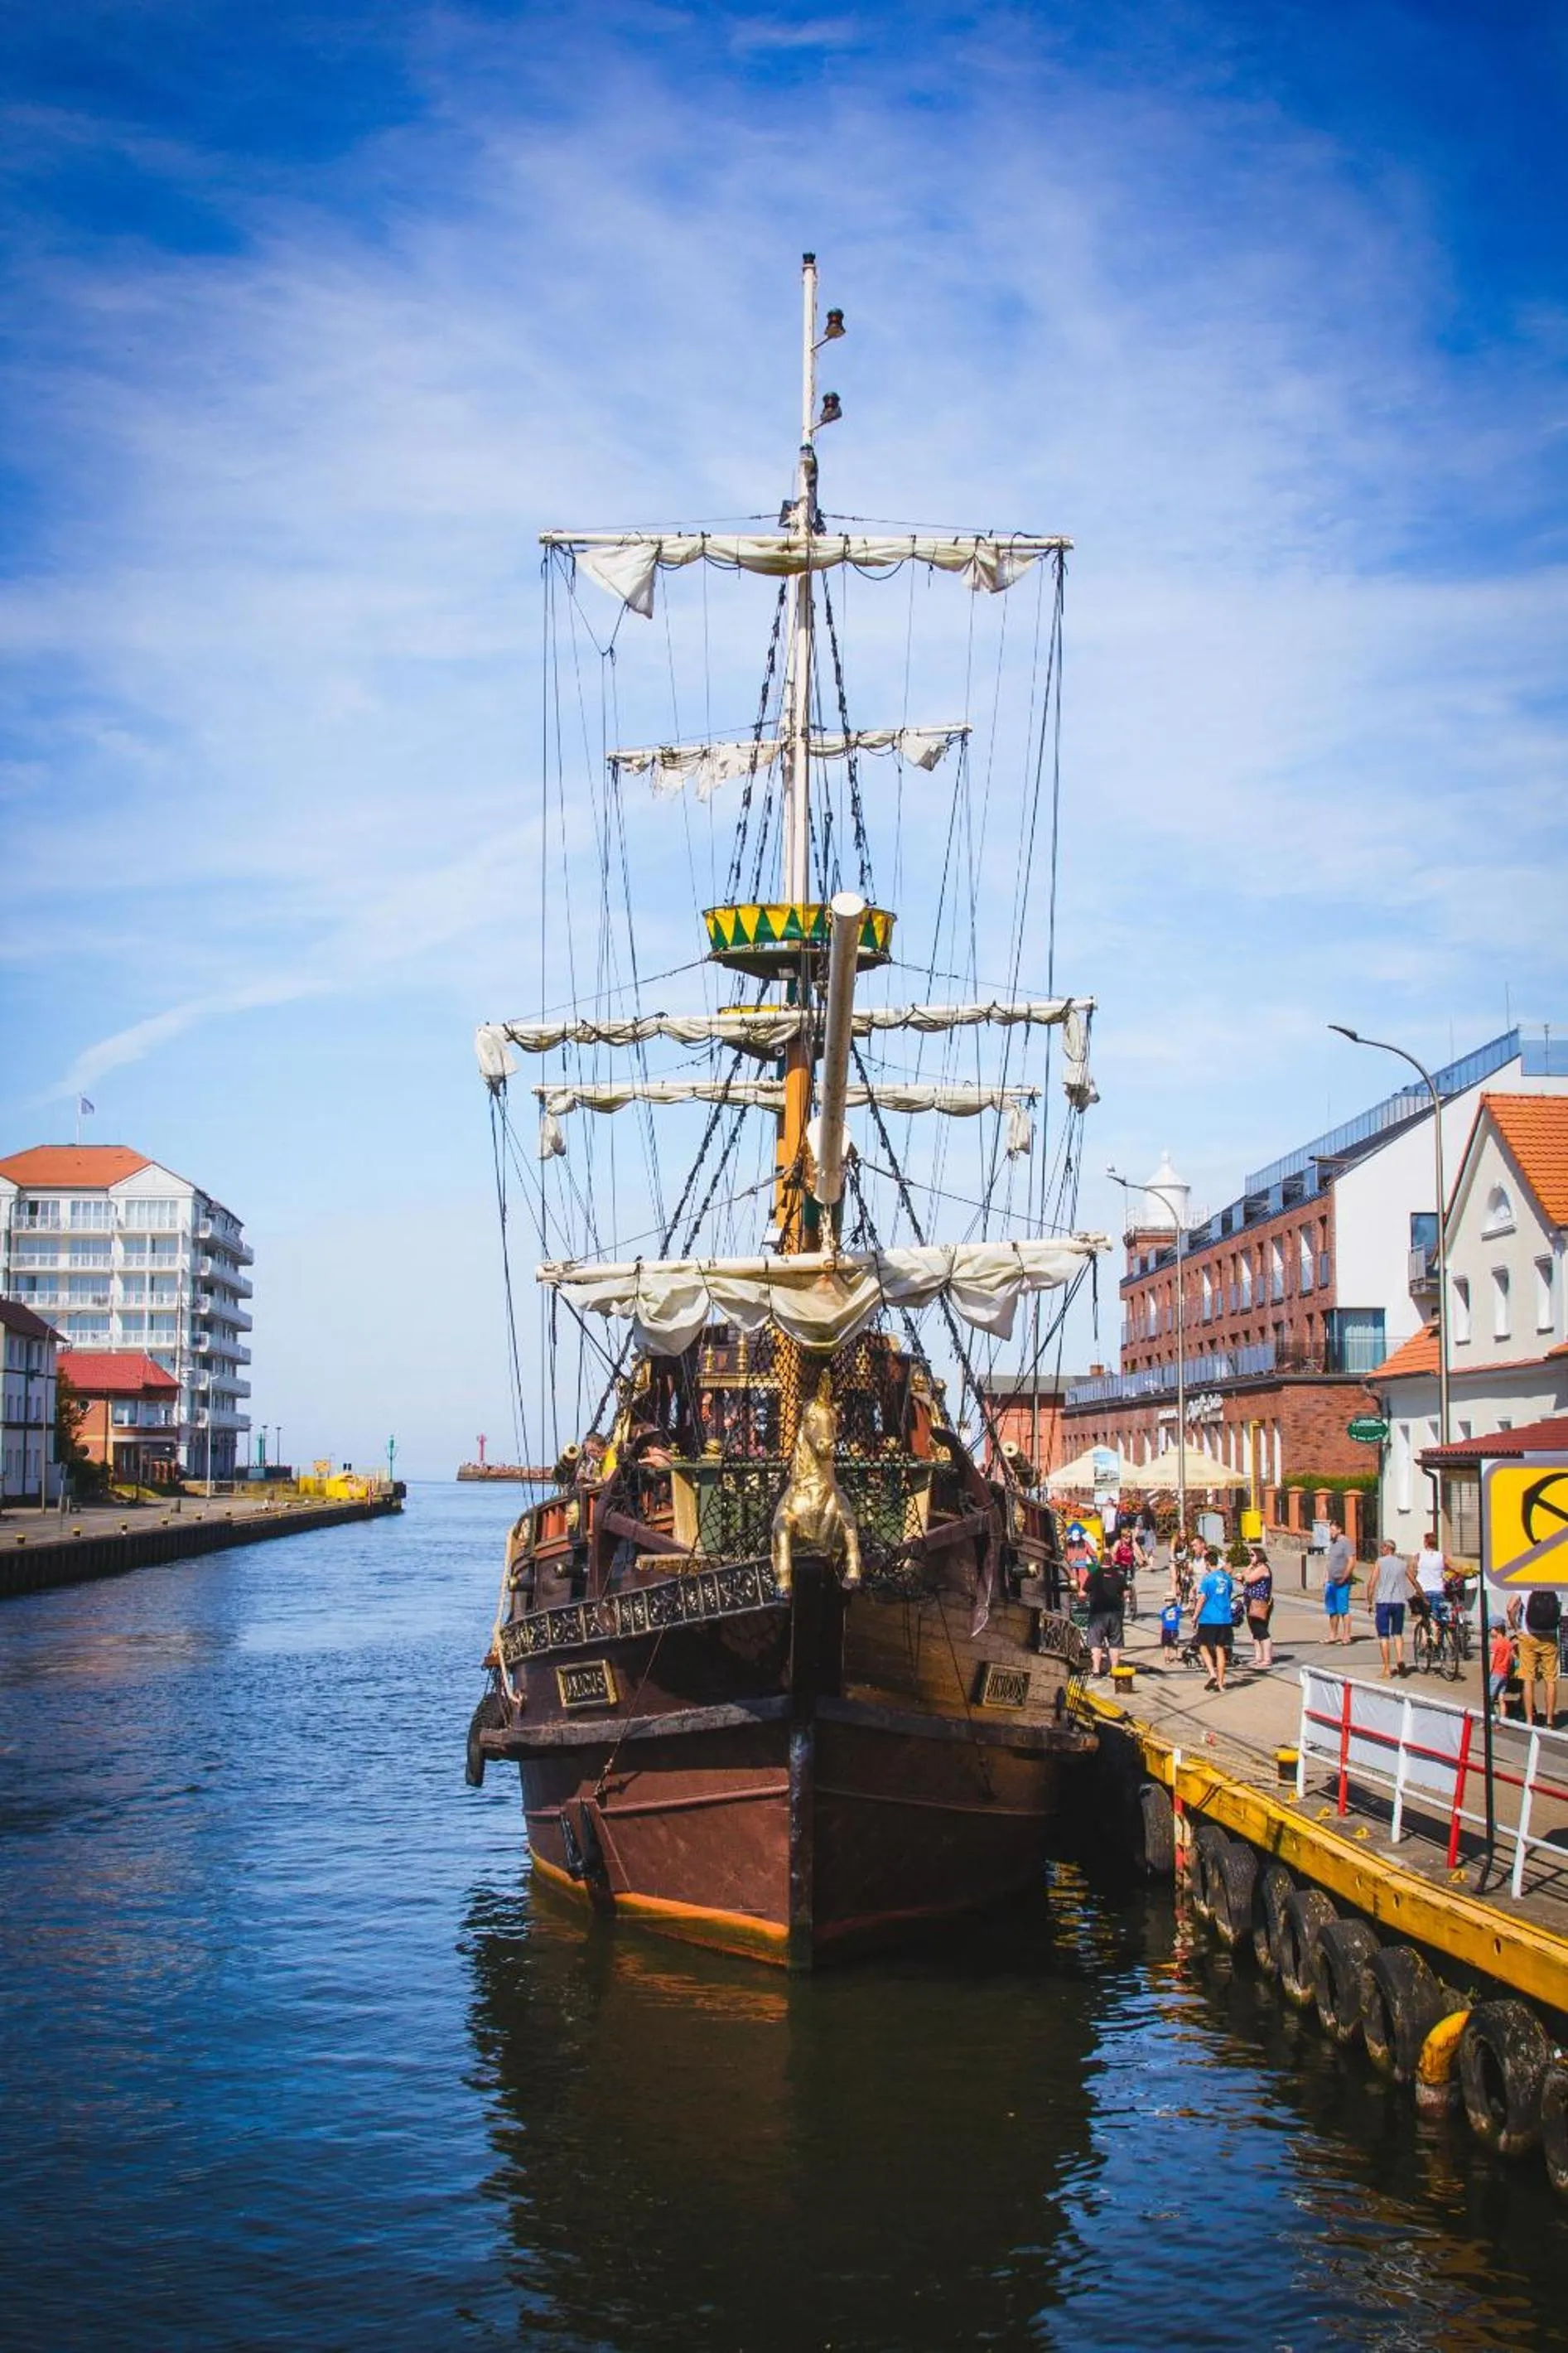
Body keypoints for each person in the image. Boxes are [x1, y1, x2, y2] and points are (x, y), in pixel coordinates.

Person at [1368, 1539, 1417, 1679]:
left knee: (1384, 1636)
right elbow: (1413, 1580)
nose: (1381, 1549)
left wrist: (1369, 1601)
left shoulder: (1380, 1562)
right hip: (1399, 1602)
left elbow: (1372, 1582)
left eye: (1383, 1547)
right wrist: (1421, 1595)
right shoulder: (1402, 1563)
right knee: (1397, 1633)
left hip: (1383, 1602)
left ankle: (1387, 1670)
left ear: (1388, 1548)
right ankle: (1400, 1659)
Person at [1193, 1550, 1238, 1693]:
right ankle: (1221, 1683)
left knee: (1202, 1645)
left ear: (1207, 1563)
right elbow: (1229, 1594)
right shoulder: (1227, 1578)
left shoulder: (1208, 1579)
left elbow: (1202, 1599)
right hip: (1224, 1617)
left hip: (1209, 1617)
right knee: (1220, 1649)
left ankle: (1212, 1673)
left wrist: (1195, 1616)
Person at [1518, 1589, 1562, 1728]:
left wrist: (1515, 1627)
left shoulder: (1525, 1587)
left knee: (1528, 1678)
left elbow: (1510, 1607)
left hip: (1528, 1636)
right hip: (1549, 1637)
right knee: (1550, 1679)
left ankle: (1529, 1720)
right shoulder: (1554, 1587)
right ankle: (1549, 1721)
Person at [1084, 1549, 1128, 1679]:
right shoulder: (1118, 1575)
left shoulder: (1094, 1575)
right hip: (1115, 1613)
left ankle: (1096, 1670)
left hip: (1097, 1613)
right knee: (1114, 1642)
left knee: (1096, 1643)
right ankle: (1114, 1670)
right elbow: (1126, 1593)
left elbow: (1083, 1593)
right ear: (1112, 1562)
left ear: (1100, 1562)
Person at [1243, 1547, 1275, 1669]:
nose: (1250, 1557)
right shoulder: (1255, 1568)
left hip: (1260, 1603)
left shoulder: (1263, 1568)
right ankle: (1258, 1657)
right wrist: (1250, 1566)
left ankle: (1267, 1658)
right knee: (1255, 1632)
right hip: (1251, 1602)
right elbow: (1245, 1575)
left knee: (1261, 1630)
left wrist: (1244, 1576)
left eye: (1252, 1555)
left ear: (1259, 1556)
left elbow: (1248, 1578)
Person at [1323, 1525, 1354, 1645]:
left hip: (1342, 1581)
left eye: (1333, 1529)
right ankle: (1333, 1635)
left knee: (1343, 1609)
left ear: (1340, 1530)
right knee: (1332, 1610)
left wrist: (1345, 1577)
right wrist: (1326, 1578)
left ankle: (1346, 1636)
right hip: (1331, 1581)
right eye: (1330, 1530)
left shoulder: (1345, 1542)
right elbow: (1330, 1562)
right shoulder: (1333, 1543)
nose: (1331, 1532)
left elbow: (1351, 1561)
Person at [1488, 1616, 1516, 1715]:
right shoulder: (1508, 1643)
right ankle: (1503, 1720)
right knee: (1501, 1698)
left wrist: (1488, 1672)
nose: (1489, 1632)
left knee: (1489, 1698)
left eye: (1490, 1629)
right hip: (1504, 1674)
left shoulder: (1495, 1644)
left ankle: (1488, 1721)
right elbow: (1512, 1658)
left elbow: (1492, 1659)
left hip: (1495, 1673)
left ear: (1497, 1629)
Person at [1159, 1591, 1183, 1666]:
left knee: (1175, 1644)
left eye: (1170, 1600)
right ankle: (1167, 1657)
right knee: (1166, 1645)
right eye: (1166, 1600)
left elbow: (1185, 1609)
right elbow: (1163, 1621)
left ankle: (1175, 1657)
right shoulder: (1163, 1611)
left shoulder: (1177, 1609)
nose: (1168, 1602)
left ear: (1173, 1601)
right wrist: (1161, 1630)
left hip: (1174, 1629)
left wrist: (1190, 1602)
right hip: (1166, 1630)